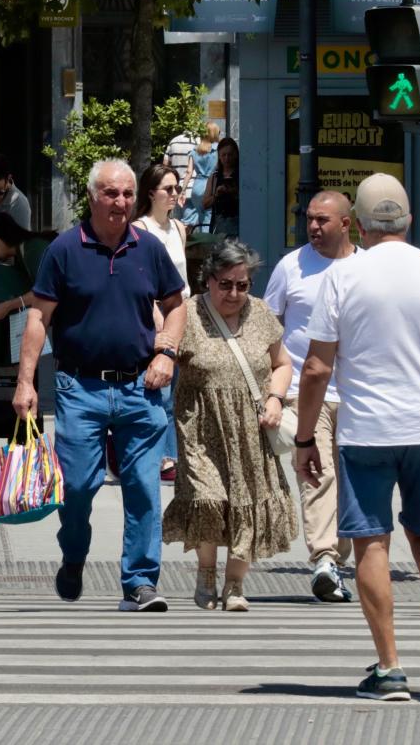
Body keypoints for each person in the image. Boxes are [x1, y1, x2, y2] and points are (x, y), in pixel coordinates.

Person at [294, 174, 420, 701]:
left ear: (357, 223)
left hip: (367, 432)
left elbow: (315, 368)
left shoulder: (342, 276)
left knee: (371, 540)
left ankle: (390, 667)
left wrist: (304, 439)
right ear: (407, 219)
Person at [13, 159, 188, 612]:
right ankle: (74, 556)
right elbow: (38, 317)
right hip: (80, 388)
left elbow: (176, 304)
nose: (121, 202)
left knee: (144, 488)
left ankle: (139, 581)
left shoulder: (149, 248)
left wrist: (166, 351)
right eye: (112, 194)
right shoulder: (65, 250)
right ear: (92, 197)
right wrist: (25, 383)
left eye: (128, 194)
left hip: (141, 388)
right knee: (77, 488)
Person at [163, 240, 298, 612]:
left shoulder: (261, 313)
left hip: (251, 428)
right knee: (208, 500)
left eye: (242, 284)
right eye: (226, 284)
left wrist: (274, 398)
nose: (234, 293)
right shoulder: (188, 315)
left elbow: (283, 364)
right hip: (201, 427)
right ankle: (206, 575)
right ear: (208, 280)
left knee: (246, 505)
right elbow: (162, 352)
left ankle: (235, 585)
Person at [261, 190, 359, 605]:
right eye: (310, 219)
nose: (314, 227)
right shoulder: (291, 266)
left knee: (353, 484)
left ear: (346, 224)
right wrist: (271, 391)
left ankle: (337, 554)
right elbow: (267, 327)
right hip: (306, 392)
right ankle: (324, 558)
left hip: (357, 395)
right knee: (318, 475)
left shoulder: (364, 268)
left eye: (323, 220)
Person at [133, 162, 190, 483]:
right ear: (151, 193)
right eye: (168, 189)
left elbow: (181, 281)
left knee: (180, 392)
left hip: (183, 315)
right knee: (161, 392)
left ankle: (172, 454)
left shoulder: (179, 229)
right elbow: (144, 282)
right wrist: (159, 325)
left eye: (177, 188)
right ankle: (162, 457)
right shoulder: (140, 229)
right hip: (156, 317)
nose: (174, 194)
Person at [181, 123, 220, 229]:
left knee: (202, 218)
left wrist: (183, 191)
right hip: (211, 186)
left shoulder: (195, 151)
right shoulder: (218, 150)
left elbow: (189, 172)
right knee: (209, 220)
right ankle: (207, 243)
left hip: (197, 188)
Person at [203, 137, 240, 239]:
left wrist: (234, 192)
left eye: (230, 155)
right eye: (224, 155)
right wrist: (216, 195)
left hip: (239, 225)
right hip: (220, 226)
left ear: (236, 155)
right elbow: (205, 203)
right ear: (219, 156)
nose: (227, 158)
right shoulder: (215, 177)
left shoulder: (242, 175)